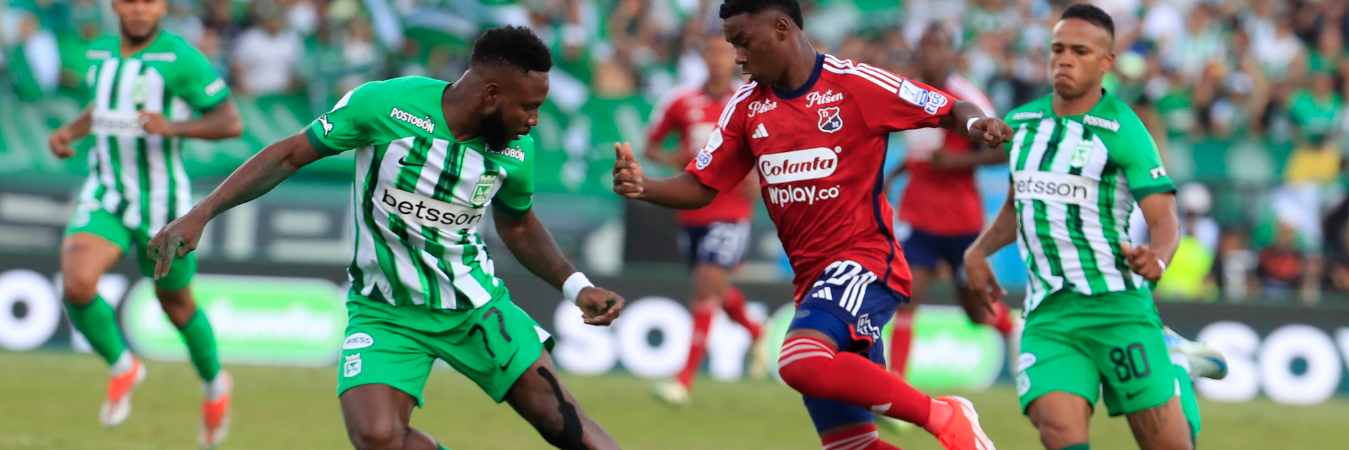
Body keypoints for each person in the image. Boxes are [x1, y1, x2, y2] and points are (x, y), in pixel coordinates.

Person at [149, 27, 626, 450]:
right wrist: (202, 212)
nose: (534, 120)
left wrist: (576, 286)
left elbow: (519, 226)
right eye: (529, 106)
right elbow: (290, 154)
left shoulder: (515, 151)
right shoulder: (385, 105)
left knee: (560, 422)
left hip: (473, 307)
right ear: (491, 93)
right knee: (377, 437)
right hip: (384, 310)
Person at [612, 1, 1010, 448]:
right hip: (813, 282)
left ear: (781, 28)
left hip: (864, 263)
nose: (737, 56)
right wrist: (643, 186)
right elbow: (702, 183)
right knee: (851, 446)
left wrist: (977, 123)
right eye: (731, 45)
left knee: (800, 360)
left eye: (743, 42)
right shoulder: (745, 106)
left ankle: (944, 414)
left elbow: (949, 108)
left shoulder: (855, 83)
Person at [962, 5, 1211, 450]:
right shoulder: (1021, 125)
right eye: (1058, 49)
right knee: (1058, 431)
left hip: (1116, 308)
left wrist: (1158, 256)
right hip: (1049, 313)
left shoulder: (1123, 129)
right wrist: (977, 252)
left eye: (1080, 50)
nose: (1065, 59)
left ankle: (1173, 367)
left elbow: (1164, 219)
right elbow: (1021, 206)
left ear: (1106, 61)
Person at [46, 0, 244, 446]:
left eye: (149, 1)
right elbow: (103, 107)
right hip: (106, 192)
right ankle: (124, 366)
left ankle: (215, 385)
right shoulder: (98, 52)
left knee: (176, 305)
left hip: (163, 204)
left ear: (163, 7)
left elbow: (230, 121)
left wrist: (175, 127)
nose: (139, 10)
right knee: (77, 284)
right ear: (116, 5)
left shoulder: (181, 57)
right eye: (130, 1)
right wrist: (70, 133)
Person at [881, 23, 1014, 384]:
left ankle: (1013, 329)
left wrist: (957, 162)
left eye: (937, 46)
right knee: (907, 296)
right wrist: (895, 175)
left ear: (952, 54)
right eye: (924, 46)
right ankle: (895, 386)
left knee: (976, 310)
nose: (928, 54)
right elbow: (920, 151)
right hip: (918, 216)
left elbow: (1003, 150)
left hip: (960, 220)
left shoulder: (967, 97)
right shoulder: (908, 93)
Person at [644, 37, 767, 406]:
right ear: (703, 59)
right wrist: (675, 161)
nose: (717, 60)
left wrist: (759, 177)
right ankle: (755, 330)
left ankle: (683, 380)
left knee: (706, 281)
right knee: (710, 285)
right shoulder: (681, 101)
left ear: (735, 59)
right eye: (711, 53)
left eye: (724, 53)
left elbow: (772, 144)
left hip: (731, 209)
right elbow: (651, 145)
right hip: (693, 208)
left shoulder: (749, 98)